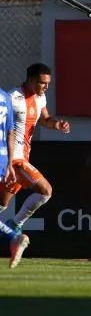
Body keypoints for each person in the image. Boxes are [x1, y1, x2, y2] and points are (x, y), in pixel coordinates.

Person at [0, 63, 71, 237]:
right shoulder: (12, 98)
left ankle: (11, 227)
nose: (46, 87)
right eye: (42, 83)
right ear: (30, 80)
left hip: (23, 157)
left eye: (48, 83)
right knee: (46, 191)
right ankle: (15, 225)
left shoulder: (40, 98)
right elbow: (5, 128)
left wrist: (57, 124)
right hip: (14, 159)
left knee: (2, 204)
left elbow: (45, 120)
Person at [0, 86, 30, 268]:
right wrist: (9, 164)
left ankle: (13, 237)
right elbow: (10, 132)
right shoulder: (4, 96)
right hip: (3, 159)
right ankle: (13, 237)